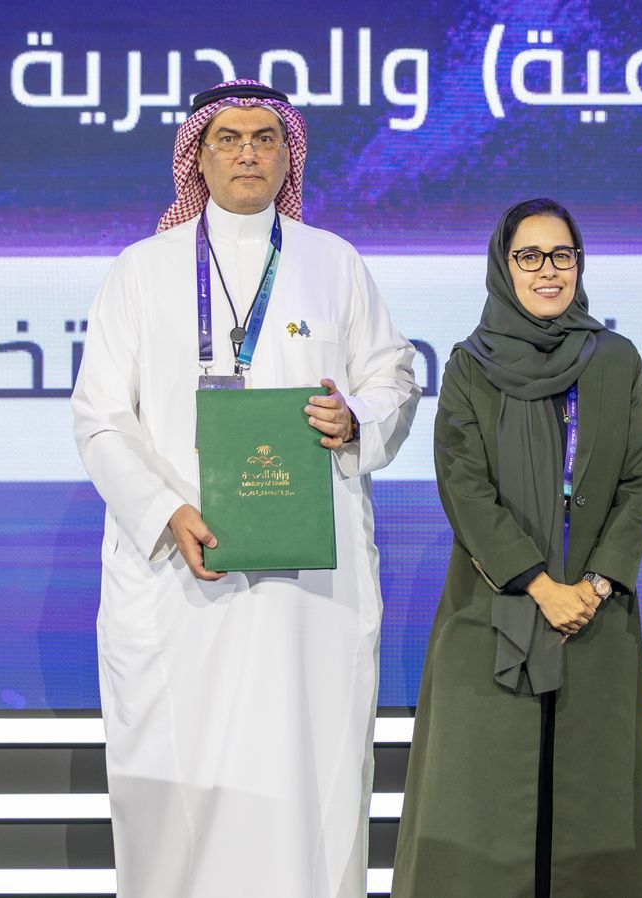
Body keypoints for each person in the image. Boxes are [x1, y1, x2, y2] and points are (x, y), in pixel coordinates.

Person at [70, 79, 420, 897]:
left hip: (308, 593)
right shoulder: (140, 271)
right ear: (198, 156)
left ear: (287, 156)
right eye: (227, 138)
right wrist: (166, 511)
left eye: (265, 138)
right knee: (182, 787)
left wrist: (355, 418)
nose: (247, 153)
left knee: (307, 776)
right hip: (179, 578)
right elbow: (99, 418)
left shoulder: (334, 263)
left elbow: (395, 379)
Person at [391, 198, 642, 897]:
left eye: (562, 255)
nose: (548, 271)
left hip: (594, 619)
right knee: (483, 818)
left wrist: (594, 586)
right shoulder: (469, 366)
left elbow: (638, 481)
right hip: (491, 615)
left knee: (592, 816)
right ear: (503, 266)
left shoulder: (616, 360)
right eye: (530, 256)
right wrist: (541, 586)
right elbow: (464, 487)